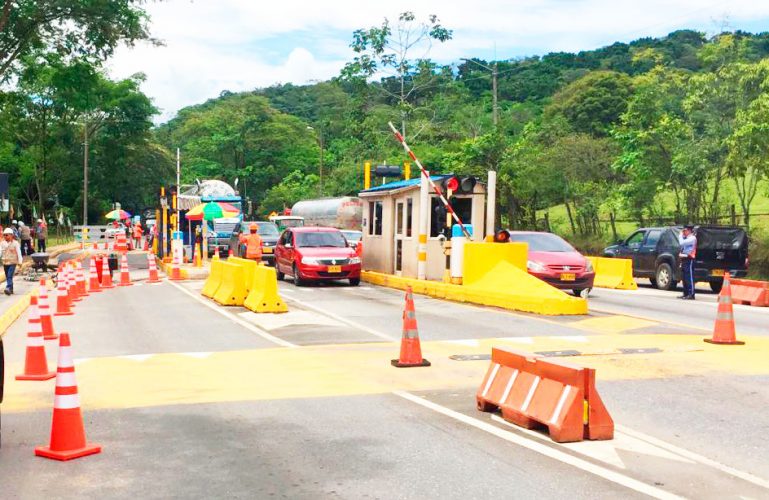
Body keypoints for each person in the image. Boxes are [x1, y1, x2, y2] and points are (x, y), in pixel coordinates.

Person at [678, 225, 697, 300]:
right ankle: (685, 293)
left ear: (689, 231)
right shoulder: (686, 238)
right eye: (683, 231)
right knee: (684, 277)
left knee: (689, 277)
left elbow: (681, 243)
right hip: (684, 258)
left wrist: (680, 235)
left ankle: (691, 293)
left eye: (685, 231)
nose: (683, 232)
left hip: (689, 259)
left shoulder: (692, 238)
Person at [1, 227, 22, 295]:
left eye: (7, 235)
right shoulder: (2, 243)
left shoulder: (16, 243)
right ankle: (11, 289)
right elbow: (0, 252)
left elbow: (19, 253)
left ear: (11, 235)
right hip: (5, 262)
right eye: (4, 235)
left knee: (9, 275)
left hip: (13, 262)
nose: (5, 236)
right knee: (7, 276)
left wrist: (20, 262)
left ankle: (8, 287)